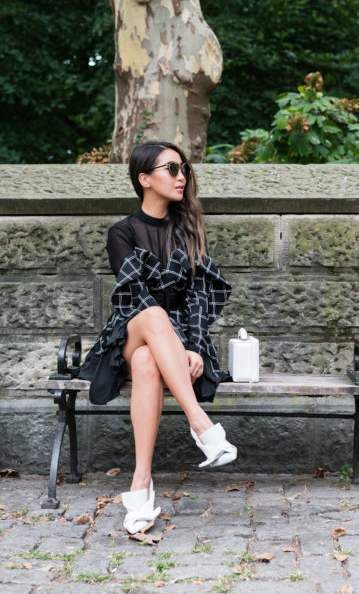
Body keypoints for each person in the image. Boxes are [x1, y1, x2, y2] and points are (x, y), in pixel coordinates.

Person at [79, 141, 237, 533]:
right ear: (145, 179)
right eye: (172, 169)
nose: (182, 176)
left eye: (184, 168)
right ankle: (201, 424)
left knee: (147, 361)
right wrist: (181, 347)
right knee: (151, 315)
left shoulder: (187, 230)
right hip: (129, 332)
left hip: (170, 342)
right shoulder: (123, 232)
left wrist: (194, 346)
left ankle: (141, 485)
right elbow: (134, 297)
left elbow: (199, 296)